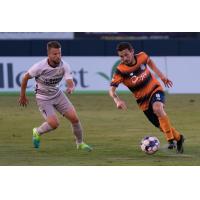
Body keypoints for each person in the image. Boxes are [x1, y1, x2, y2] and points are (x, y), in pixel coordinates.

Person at [109, 42, 184, 153]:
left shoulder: (142, 56)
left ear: (132, 51)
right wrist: (117, 100)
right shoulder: (121, 71)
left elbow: (151, 64)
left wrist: (162, 77)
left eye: (126, 54)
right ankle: (179, 138)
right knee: (161, 126)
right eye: (121, 56)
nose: (124, 58)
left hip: (155, 90)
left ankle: (170, 140)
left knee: (158, 108)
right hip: (143, 102)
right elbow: (111, 89)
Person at [19, 41, 92, 152]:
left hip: (57, 94)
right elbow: (25, 78)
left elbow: (69, 81)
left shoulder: (64, 65)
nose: (58, 56)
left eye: (59, 53)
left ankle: (80, 143)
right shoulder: (39, 67)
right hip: (43, 98)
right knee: (54, 124)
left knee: (75, 119)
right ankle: (37, 131)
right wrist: (22, 96)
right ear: (48, 54)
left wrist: (71, 87)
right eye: (55, 54)